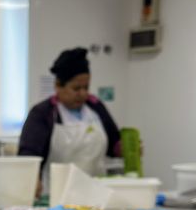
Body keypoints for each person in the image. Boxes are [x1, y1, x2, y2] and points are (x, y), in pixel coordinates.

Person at [19, 47, 122, 190]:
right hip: (56, 194)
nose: (82, 93)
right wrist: (32, 179)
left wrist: (125, 148)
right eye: (76, 88)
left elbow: (114, 144)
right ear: (58, 86)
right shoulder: (43, 113)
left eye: (86, 87)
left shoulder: (96, 107)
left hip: (95, 191)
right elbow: (28, 156)